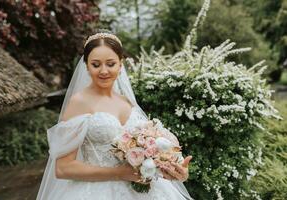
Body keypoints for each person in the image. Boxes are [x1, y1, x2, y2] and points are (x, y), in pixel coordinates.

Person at [36, 29, 194, 200]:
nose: (103, 71)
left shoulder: (127, 102)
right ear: (87, 66)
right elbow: (63, 168)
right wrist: (118, 173)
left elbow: (149, 158)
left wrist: (174, 171)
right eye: (96, 64)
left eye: (110, 64)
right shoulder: (79, 102)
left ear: (120, 64)